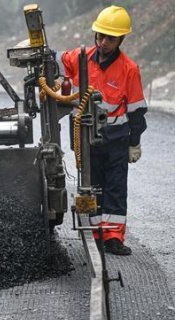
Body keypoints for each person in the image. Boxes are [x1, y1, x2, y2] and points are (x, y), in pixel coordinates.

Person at [56, 5, 148, 255]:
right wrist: (38, 51)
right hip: (86, 138)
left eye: (110, 38)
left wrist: (134, 143)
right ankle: (95, 233)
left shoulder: (129, 69)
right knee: (92, 185)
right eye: (100, 36)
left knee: (115, 187)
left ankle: (113, 238)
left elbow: (137, 111)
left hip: (116, 140)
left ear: (121, 39)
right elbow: (56, 59)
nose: (103, 42)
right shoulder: (80, 57)